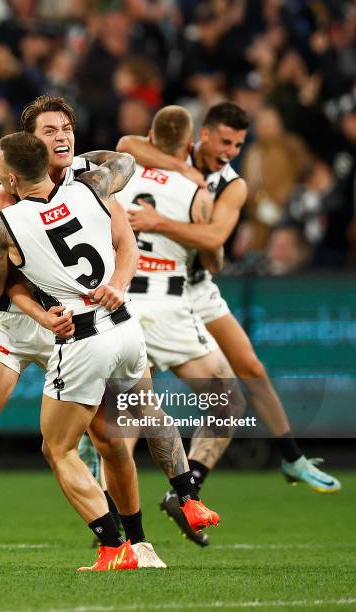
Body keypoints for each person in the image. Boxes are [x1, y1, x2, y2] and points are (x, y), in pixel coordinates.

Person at [0, 96, 160, 574]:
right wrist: (41, 316)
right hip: (18, 321)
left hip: (75, 326)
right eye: (49, 131)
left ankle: (136, 542)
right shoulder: (9, 201)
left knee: (109, 439)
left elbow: (123, 218)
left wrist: (115, 285)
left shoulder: (82, 185)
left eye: (66, 129)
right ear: (32, 146)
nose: (60, 137)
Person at [0, 131, 219, 571]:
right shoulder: (92, 186)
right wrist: (81, 160)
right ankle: (189, 498)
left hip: (83, 337)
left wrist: (1, 253)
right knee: (147, 410)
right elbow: (123, 161)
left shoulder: (4, 222)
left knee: (58, 449)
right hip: (125, 325)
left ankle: (113, 547)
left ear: (11, 178)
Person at [118, 101, 341, 542]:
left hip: (196, 287)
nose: (230, 152)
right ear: (201, 135)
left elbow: (216, 244)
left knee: (248, 370)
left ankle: (288, 457)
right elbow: (126, 143)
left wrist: (161, 220)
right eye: (224, 142)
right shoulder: (177, 159)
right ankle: (128, 505)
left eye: (239, 145)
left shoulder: (233, 186)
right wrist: (185, 174)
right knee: (146, 403)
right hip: (164, 288)